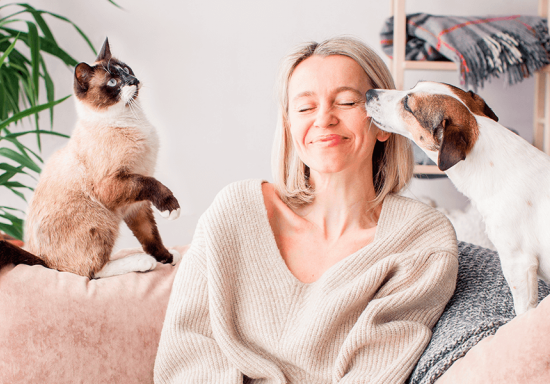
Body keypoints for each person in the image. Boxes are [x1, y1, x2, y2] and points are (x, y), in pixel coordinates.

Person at [153, 36, 458, 384]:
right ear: (289, 127)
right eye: (304, 108)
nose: (324, 119)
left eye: (346, 102)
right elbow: (189, 352)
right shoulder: (234, 213)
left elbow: (376, 371)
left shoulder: (420, 239)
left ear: (382, 123)